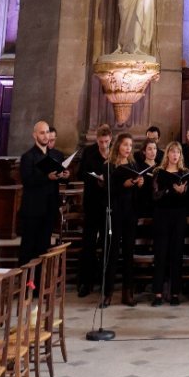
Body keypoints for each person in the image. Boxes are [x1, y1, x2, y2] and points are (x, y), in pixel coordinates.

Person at [18, 119, 69, 268]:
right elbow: (27, 181)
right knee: (29, 248)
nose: (46, 136)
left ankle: (39, 286)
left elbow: (62, 181)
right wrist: (47, 177)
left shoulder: (56, 155)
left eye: (47, 132)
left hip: (49, 208)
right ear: (35, 135)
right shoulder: (28, 157)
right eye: (42, 133)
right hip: (33, 209)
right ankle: (27, 285)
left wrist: (65, 176)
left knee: (43, 247)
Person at [152, 141, 189, 306]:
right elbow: (155, 196)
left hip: (179, 215)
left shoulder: (185, 173)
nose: (175, 155)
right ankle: (158, 294)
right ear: (167, 153)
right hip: (162, 215)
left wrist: (183, 192)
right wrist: (169, 190)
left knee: (176, 253)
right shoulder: (158, 173)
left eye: (178, 153)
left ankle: (175, 293)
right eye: (172, 152)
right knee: (160, 254)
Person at [77, 123, 113, 297]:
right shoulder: (89, 152)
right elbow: (80, 173)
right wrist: (95, 178)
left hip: (109, 203)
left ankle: (105, 281)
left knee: (107, 243)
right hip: (92, 201)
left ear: (111, 139)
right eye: (100, 141)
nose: (104, 145)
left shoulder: (114, 152)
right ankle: (85, 282)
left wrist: (106, 180)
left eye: (106, 141)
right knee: (89, 244)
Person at [105, 131, 139, 306]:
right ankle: (108, 293)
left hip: (130, 213)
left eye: (130, 146)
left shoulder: (133, 165)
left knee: (128, 253)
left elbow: (137, 192)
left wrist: (139, 184)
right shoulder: (110, 165)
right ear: (118, 145)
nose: (128, 148)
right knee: (112, 253)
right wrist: (123, 185)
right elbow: (108, 191)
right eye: (125, 144)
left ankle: (127, 293)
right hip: (115, 211)